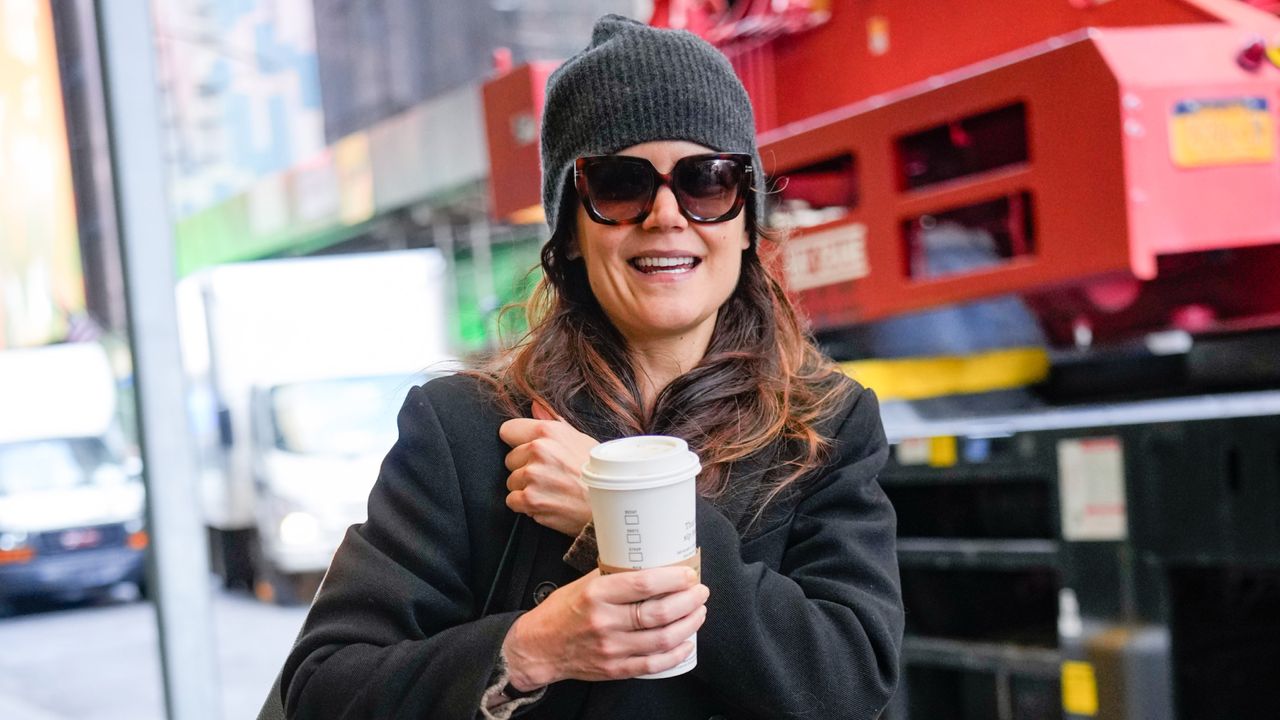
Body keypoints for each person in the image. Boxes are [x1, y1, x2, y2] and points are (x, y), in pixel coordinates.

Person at [279, 14, 903, 720]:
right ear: (570, 231)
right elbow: (323, 690)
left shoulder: (826, 426)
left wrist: (627, 511)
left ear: (745, 219)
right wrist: (526, 652)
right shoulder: (466, 429)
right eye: (620, 184)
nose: (667, 215)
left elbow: (846, 685)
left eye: (707, 180)